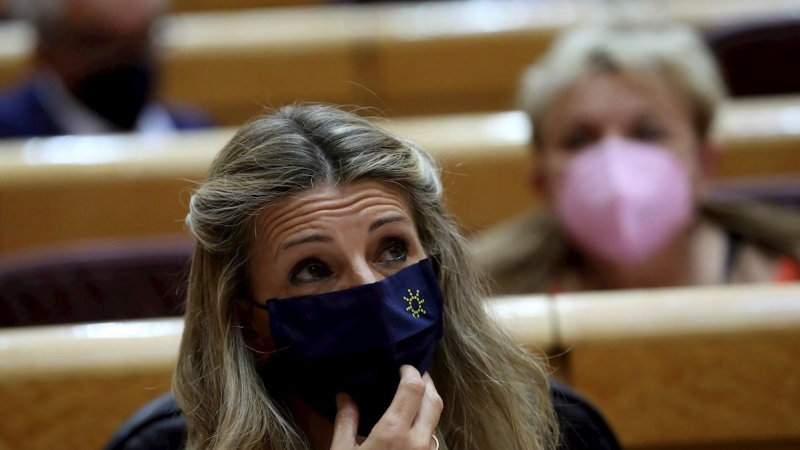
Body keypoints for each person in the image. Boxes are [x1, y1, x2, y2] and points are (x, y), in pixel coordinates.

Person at [104, 104, 620, 450]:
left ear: (437, 273)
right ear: (251, 324)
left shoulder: (558, 430)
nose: (372, 290)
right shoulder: (160, 446)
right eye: (312, 269)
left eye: (392, 249)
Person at [472, 24, 800, 295]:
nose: (615, 164)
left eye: (647, 133)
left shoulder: (784, 280)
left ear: (704, 164)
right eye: (579, 139)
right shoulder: (486, 301)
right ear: (542, 182)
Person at [0, 0, 213, 139]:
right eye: (99, 43)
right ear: (46, 53)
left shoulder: (196, 132)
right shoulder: (7, 136)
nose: (124, 60)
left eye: (142, 41)